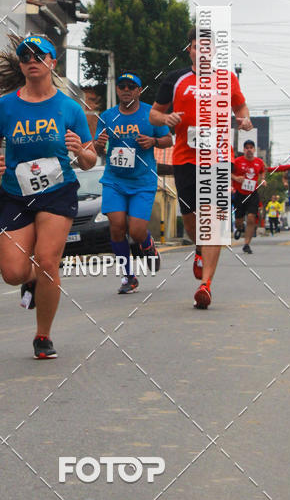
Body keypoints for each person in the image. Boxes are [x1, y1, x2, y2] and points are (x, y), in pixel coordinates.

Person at [0, 35, 96, 359]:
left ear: (52, 63)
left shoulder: (69, 108)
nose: (32, 60)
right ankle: (31, 279)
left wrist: (79, 151)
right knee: (12, 273)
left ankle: (43, 336)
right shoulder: (6, 106)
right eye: (25, 56)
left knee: (48, 261)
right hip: (15, 194)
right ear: (21, 65)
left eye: (39, 55)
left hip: (57, 192)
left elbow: (90, 158)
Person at [150, 26, 252, 309]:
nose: (202, 52)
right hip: (185, 157)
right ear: (190, 50)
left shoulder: (228, 79)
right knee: (193, 220)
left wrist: (244, 120)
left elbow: (241, 109)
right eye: (197, 47)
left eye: (207, 48)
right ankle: (198, 248)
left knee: (215, 220)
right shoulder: (176, 79)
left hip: (219, 157)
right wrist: (167, 118)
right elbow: (154, 114)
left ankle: (205, 284)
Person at [94, 72, 172, 294]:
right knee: (117, 227)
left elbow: (169, 139)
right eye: (122, 86)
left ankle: (148, 246)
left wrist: (153, 141)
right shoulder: (107, 117)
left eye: (131, 86)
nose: (126, 90)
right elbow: (98, 148)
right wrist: (99, 144)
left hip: (142, 181)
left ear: (139, 91)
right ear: (117, 90)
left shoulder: (151, 114)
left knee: (137, 231)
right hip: (114, 180)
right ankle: (129, 277)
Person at [233, 141, 266, 253]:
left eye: (251, 148)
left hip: (252, 194)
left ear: (254, 150)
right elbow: (227, 172)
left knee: (251, 218)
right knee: (239, 220)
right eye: (246, 148)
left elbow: (262, 171)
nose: (249, 150)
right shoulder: (237, 161)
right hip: (239, 194)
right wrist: (236, 178)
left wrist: (262, 179)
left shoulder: (259, 162)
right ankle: (239, 227)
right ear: (244, 150)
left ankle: (246, 244)